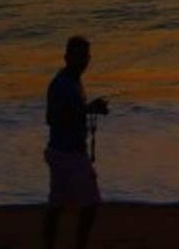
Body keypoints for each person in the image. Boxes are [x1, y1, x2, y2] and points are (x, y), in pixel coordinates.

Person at [44, 36, 109, 249]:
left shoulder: (73, 81)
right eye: (79, 56)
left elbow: (72, 112)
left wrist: (90, 108)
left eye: (86, 57)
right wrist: (86, 109)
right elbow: (51, 118)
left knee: (57, 205)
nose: (84, 61)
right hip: (68, 154)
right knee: (91, 202)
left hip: (62, 152)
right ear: (67, 57)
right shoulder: (61, 84)